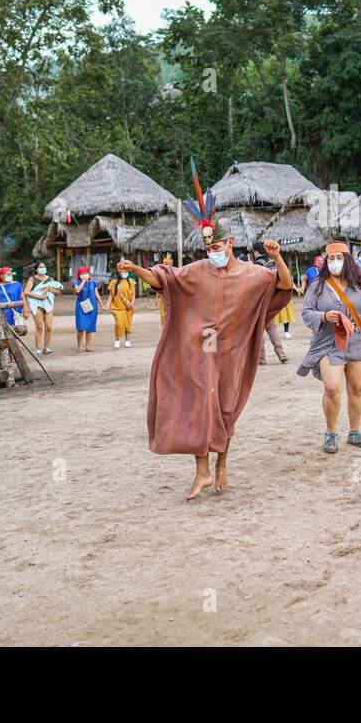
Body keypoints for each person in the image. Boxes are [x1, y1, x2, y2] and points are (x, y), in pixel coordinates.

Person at [116, 202, 293, 501]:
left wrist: (277, 258)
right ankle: (202, 471)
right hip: (202, 352)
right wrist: (135, 269)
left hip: (234, 353)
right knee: (201, 408)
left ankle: (221, 466)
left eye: (217, 245)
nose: (213, 251)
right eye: (208, 247)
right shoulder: (197, 270)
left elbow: (285, 286)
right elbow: (163, 278)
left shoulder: (255, 274)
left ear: (230, 243)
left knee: (226, 411)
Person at [298, 242, 361, 452]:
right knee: (332, 388)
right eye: (331, 258)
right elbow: (306, 313)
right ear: (326, 261)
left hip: (356, 344)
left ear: (348, 260)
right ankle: (330, 434)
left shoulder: (359, 285)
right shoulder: (317, 286)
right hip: (328, 344)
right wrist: (324, 316)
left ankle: (354, 432)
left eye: (339, 258)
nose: (335, 262)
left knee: (357, 390)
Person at [251, 242, 289, 365]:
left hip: (260, 301)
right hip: (273, 300)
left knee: (259, 329)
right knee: (271, 327)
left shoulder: (257, 265)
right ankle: (281, 353)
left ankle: (261, 358)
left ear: (256, 251)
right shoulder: (273, 263)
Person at [23, 262, 62, 355]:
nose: (43, 268)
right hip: (37, 305)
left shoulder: (50, 279)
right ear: (36, 269)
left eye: (44, 267)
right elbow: (26, 292)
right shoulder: (32, 279)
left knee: (48, 327)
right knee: (39, 327)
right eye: (40, 267)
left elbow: (57, 292)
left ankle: (46, 348)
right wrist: (39, 296)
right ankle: (37, 349)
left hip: (48, 305)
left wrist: (49, 289)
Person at [106, 264, 137, 350]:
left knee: (128, 324)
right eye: (122, 271)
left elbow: (134, 293)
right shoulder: (113, 283)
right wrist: (107, 305)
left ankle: (127, 340)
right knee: (119, 324)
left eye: (126, 271)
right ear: (119, 272)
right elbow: (111, 296)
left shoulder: (131, 281)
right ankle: (117, 339)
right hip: (117, 308)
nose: (124, 273)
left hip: (128, 307)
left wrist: (132, 303)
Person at [71, 266, 100, 352]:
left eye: (85, 273)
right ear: (79, 275)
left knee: (90, 327)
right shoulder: (76, 282)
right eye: (82, 274)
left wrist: (101, 303)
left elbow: (96, 294)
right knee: (81, 327)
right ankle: (79, 346)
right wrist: (83, 281)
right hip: (81, 307)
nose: (84, 275)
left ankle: (88, 346)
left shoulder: (93, 283)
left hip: (92, 306)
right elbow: (77, 291)